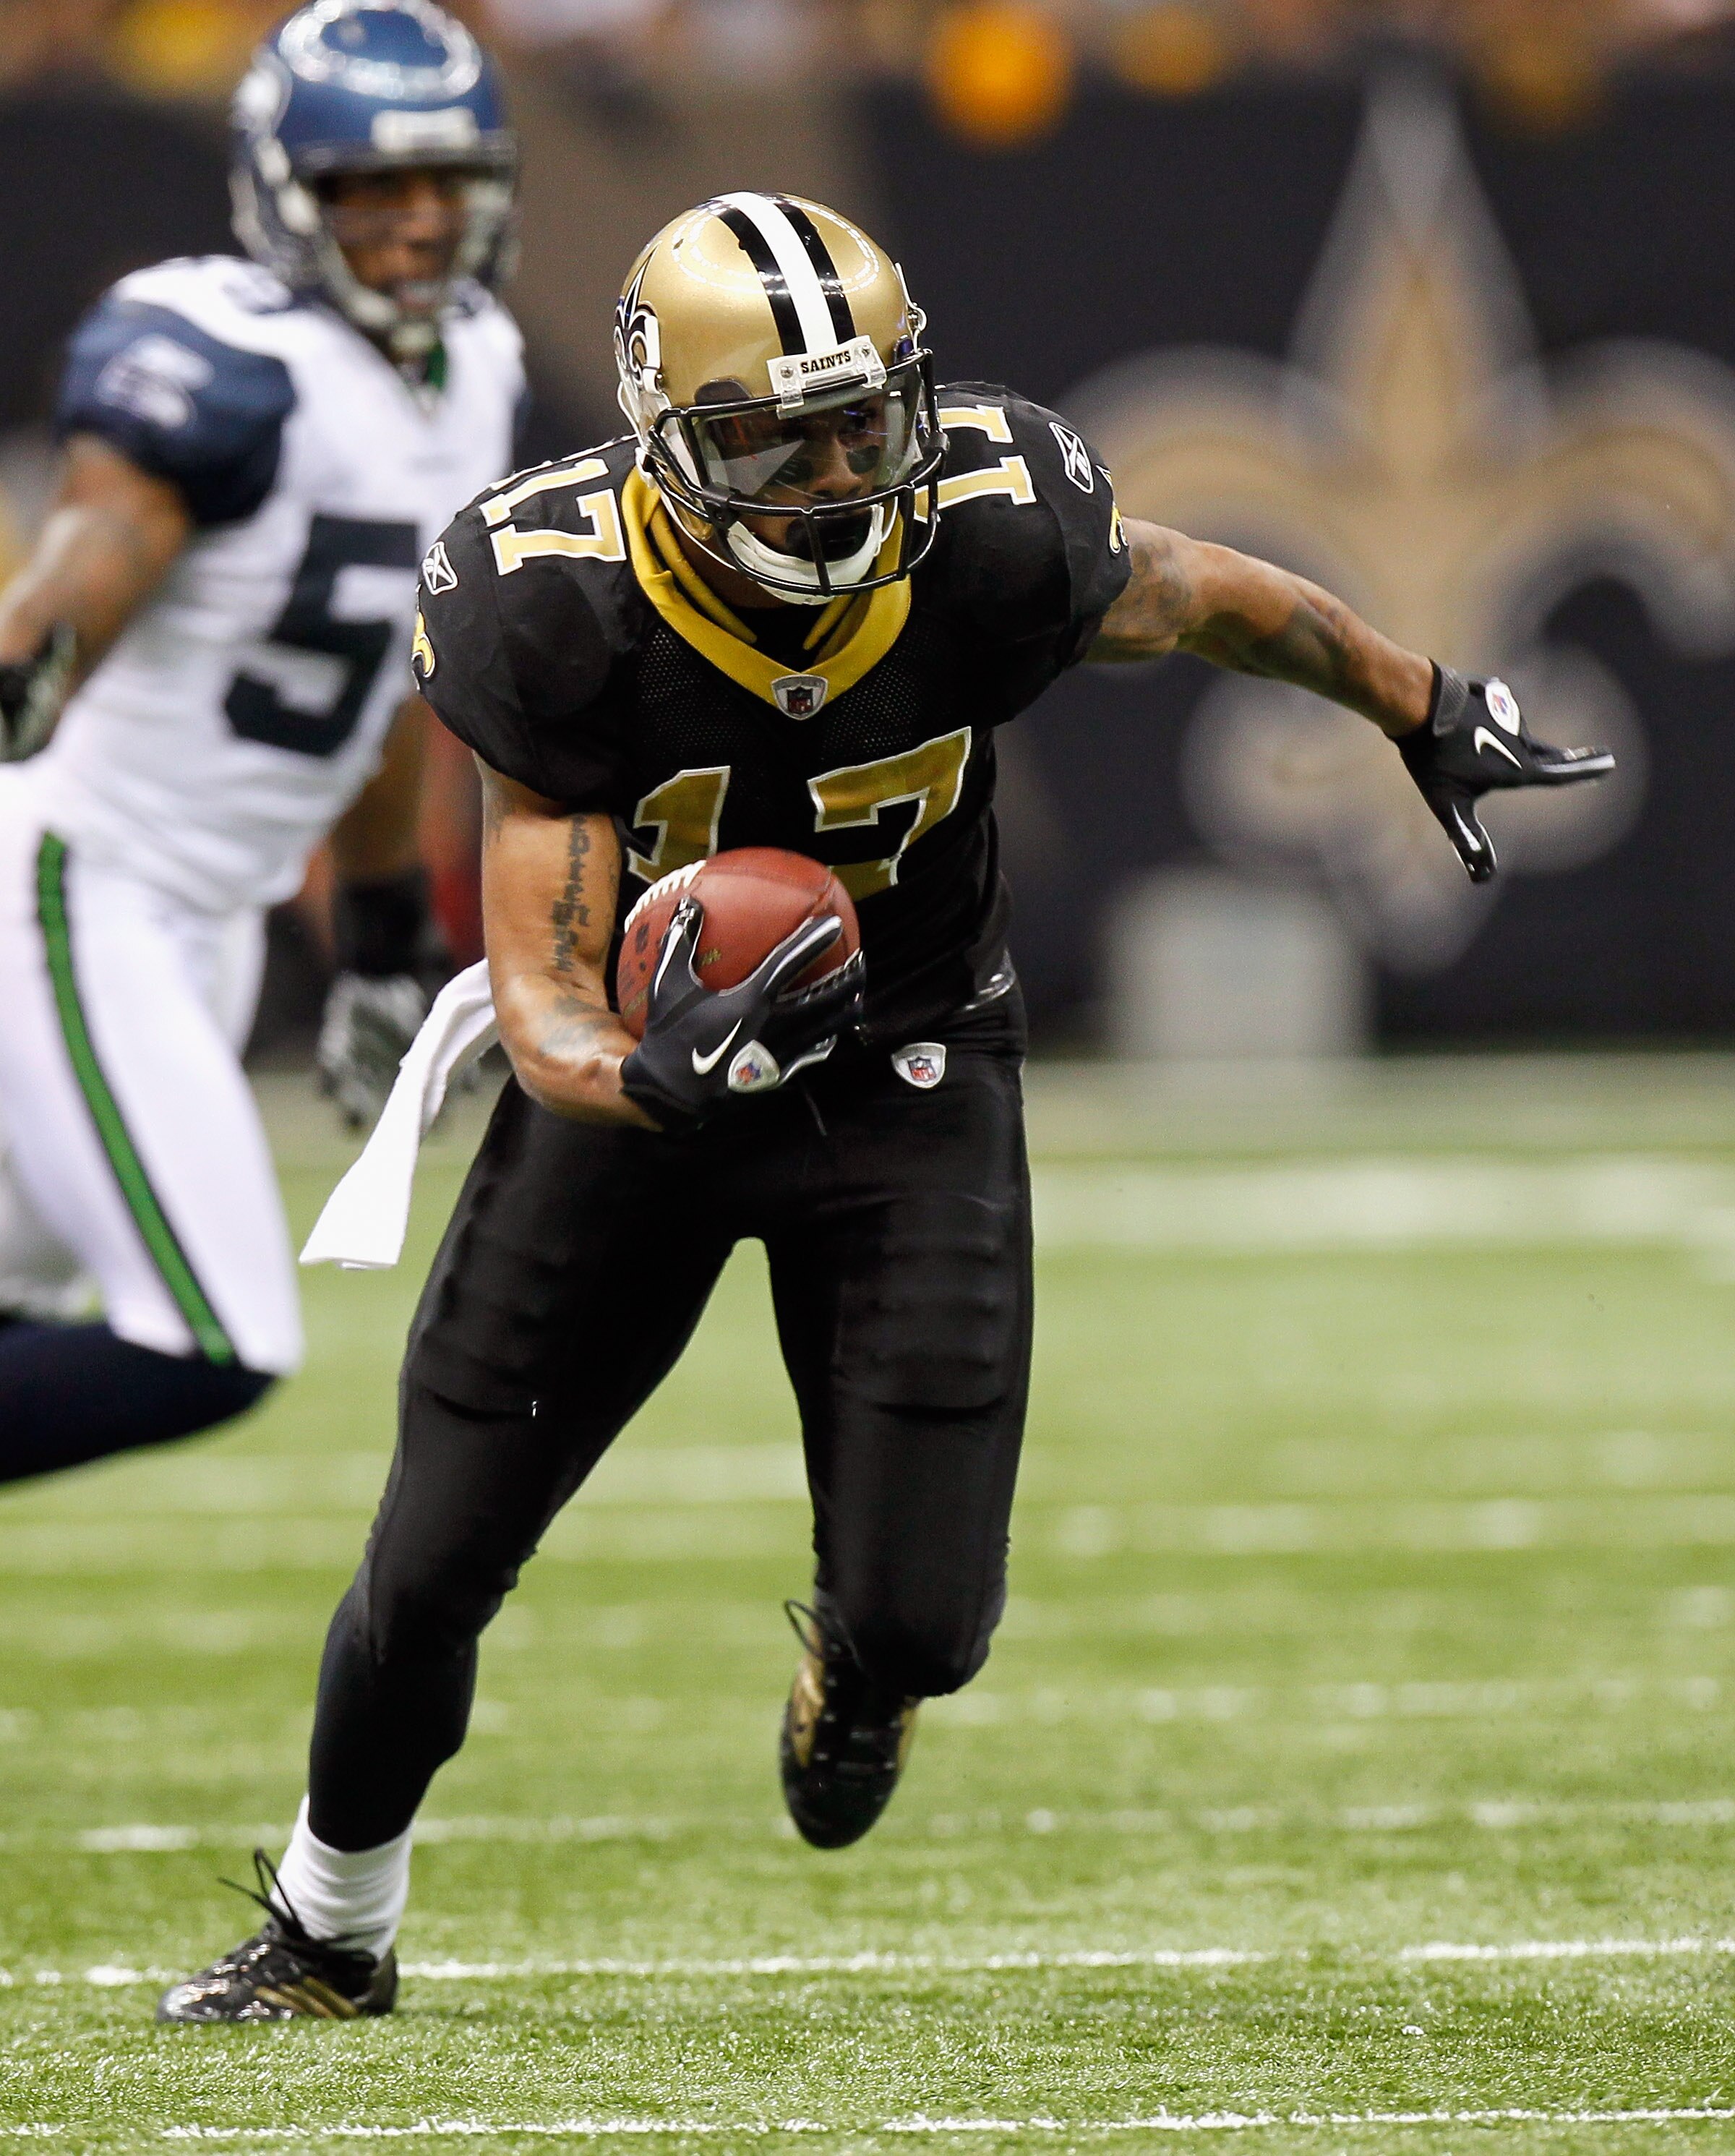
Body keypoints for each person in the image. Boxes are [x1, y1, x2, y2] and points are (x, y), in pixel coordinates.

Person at [160, 192, 1611, 2022]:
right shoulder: (561, 597)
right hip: (645, 1097)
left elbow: (1208, 597)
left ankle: (857, 1667)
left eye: (867, 420)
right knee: (433, 1556)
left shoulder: (993, 531)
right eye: (782, 437)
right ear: (670, 449)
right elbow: (537, 995)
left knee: (932, 1624)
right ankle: (326, 1931)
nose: (845, 473)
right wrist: (647, 1074)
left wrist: (1422, 703)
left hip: (908, 1063)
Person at [0, 0, 525, 1481]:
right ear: (284, 191)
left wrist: (372, 929)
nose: (416, 224)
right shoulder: (213, 351)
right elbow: (84, 563)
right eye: (371, 187)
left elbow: (379, 686)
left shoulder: (471, 365)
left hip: (207, 915)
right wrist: (33, 654)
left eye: (443, 186)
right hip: (77, 883)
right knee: (214, 1336)